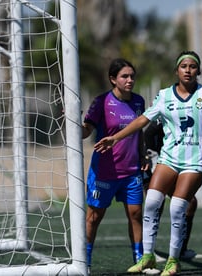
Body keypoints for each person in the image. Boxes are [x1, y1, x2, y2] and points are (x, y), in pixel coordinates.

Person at [94, 51, 202, 276]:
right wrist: (115, 138)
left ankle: (173, 261)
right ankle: (147, 258)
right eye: (183, 66)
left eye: (193, 66)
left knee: (177, 208)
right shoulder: (165, 95)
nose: (188, 69)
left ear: (198, 71)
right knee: (152, 202)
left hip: (194, 161)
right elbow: (142, 120)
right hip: (168, 158)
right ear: (176, 71)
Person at [82, 58, 148, 272]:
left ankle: (140, 259)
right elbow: (86, 132)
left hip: (131, 172)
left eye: (132, 76)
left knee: (136, 214)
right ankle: (85, 260)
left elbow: (139, 133)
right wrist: (72, 123)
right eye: (124, 76)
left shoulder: (138, 102)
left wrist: (143, 156)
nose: (130, 80)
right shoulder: (101, 102)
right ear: (113, 79)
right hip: (104, 173)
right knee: (94, 217)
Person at [143, 119, 199, 260]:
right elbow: (148, 133)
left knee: (190, 203)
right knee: (155, 205)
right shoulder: (169, 108)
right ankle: (147, 253)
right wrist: (152, 157)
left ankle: (181, 250)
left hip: (172, 163)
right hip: (155, 165)